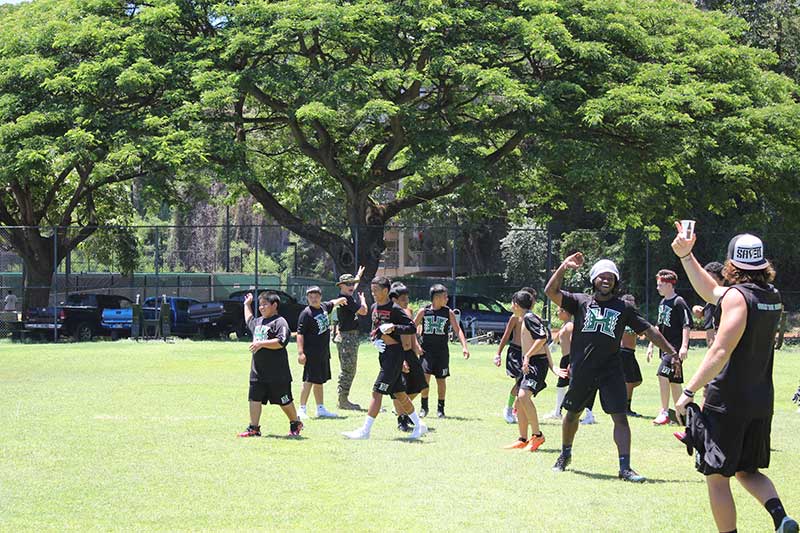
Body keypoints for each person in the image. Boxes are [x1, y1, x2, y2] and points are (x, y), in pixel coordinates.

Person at [672, 226, 797, 533]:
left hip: (727, 403)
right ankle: (781, 518)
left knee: (716, 478)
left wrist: (688, 390)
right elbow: (712, 292)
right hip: (760, 401)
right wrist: (686, 256)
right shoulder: (772, 296)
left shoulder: (737, 298)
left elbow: (720, 350)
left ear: (731, 263)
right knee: (747, 470)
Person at [544, 255, 677, 482]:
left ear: (616, 282)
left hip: (611, 370)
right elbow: (550, 291)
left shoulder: (624, 307)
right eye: (602, 277)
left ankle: (625, 468)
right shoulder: (580, 301)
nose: (606, 280)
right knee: (572, 414)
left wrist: (671, 351)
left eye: (610, 277)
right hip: (583, 369)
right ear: (594, 279)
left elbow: (648, 330)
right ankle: (565, 454)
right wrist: (564, 267)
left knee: (620, 417)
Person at [342, 277, 427, 440]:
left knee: (376, 392)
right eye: (372, 290)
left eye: (376, 291)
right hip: (384, 354)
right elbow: (375, 329)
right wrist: (375, 340)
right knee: (400, 394)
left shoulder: (395, 309)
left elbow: (411, 327)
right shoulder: (374, 307)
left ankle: (365, 431)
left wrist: (394, 327)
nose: (373, 294)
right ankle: (420, 425)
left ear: (386, 291)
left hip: (394, 356)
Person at [504, 291, 567, 451]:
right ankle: (523, 439)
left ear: (516, 305)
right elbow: (544, 340)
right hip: (530, 363)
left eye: (512, 303)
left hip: (536, 364)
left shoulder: (529, 318)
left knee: (524, 396)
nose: (511, 306)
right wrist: (552, 366)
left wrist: (528, 357)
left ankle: (537, 436)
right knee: (519, 400)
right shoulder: (524, 318)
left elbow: (542, 339)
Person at [238, 292, 303, 438]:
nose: (261, 307)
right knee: (254, 398)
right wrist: (246, 304)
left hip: (277, 373)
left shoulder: (280, 322)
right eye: (260, 305)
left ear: (274, 305)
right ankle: (254, 428)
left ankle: (295, 423)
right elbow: (249, 319)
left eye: (265, 304)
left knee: (284, 400)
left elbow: (281, 342)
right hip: (258, 371)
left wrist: (261, 344)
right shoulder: (258, 322)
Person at [415, 284, 470, 418]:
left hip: (441, 352)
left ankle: (441, 409)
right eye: (445, 297)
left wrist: (464, 346)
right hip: (426, 352)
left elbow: (457, 330)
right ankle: (424, 407)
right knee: (425, 379)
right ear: (436, 298)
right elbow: (411, 329)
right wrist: (416, 345)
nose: (447, 299)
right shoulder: (423, 311)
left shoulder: (448, 312)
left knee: (441, 380)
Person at [296, 287, 348, 420]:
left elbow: (332, 302)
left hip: (323, 352)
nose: (314, 299)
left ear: (320, 296)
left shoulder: (324, 307)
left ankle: (320, 408)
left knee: (319, 380)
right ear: (307, 298)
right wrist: (301, 353)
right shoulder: (306, 313)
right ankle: (301, 409)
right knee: (309, 380)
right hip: (311, 353)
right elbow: (300, 334)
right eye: (311, 296)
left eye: (316, 296)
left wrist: (341, 300)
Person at [647, 269, 691, 425]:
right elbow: (658, 327)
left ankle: (664, 412)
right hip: (664, 348)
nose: (657, 288)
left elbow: (686, 325)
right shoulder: (662, 302)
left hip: (674, 350)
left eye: (660, 285)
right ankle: (682, 415)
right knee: (674, 383)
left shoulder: (678, 302)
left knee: (662, 374)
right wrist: (651, 345)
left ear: (668, 285)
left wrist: (684, 346)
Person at [494, 286, 537, 424]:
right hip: (515, 352)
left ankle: (517, 411)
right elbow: (506, 336)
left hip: (527, 353)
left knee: (524, 384)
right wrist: (498, 354)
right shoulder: (515, 318)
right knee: (520, 383)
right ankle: (509, 408)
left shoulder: (533, 318)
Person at [389, 282, 428, 432]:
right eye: (403, 298)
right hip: (397, 354)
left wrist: (416, 345)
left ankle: (405, 411)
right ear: (394, 299)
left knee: (420, 384)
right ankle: (401, 419)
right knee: (399, 388)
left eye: (407, 298)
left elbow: (410, 331)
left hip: (410, 352)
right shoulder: (392, 314)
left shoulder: (409, 311)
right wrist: (401, 359)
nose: (406, 301)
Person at [333, 267, 369, 410]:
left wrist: (358, 276)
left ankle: (343, 399)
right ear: (341, 286)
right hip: (347, 337)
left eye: (352, 283)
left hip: (349, 337)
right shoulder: (346, 300)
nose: (351, 286)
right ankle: (343, 400)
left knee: (349, 369)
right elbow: (363, 311)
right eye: (348, 284)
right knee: (348, 370)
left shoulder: (346, 296)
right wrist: (363, 300)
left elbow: (354, 287)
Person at [543, 307, 573, 420]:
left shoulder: (570, 326)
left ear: (565, 312)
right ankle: (557, 411)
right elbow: (558, 337)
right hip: (565, 359)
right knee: (561, 385)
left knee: (572, 386)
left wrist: (572, 361)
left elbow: (574, 343)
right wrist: (553, 345)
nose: (557, 313)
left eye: (559, 311)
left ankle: (587, 413)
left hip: (570, 359)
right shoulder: (565, 326)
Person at [619, 294, 644, 417]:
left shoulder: (633, 318)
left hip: (631, 353)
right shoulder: (621, 317)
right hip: (624, 352)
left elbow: (641, 331)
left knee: (637, 380)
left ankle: (621, 397)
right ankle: (625, 408)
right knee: (629, 381)